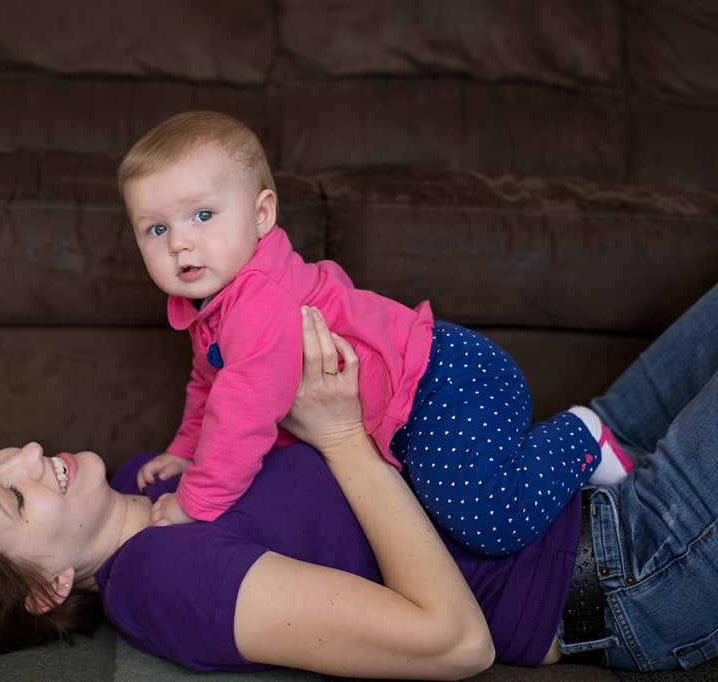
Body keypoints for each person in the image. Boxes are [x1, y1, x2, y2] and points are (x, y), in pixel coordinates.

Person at [0, 228, 718, 674]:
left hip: (579, 459)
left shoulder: (145, 486)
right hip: (636, 565)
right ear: (43, 592)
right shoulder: (165, 585)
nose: (27, 454)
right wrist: (337, 437)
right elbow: (451, 642)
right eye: (10, 499)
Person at [118, 110, 631, 554]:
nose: (180, 244)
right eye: (157, 229)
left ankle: (579, 436)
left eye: (202, 215)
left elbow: (241, 413)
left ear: (261, 215)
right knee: (427, 509)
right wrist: (186, 450)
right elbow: (208, 382)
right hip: (418, 398)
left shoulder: (258, 301)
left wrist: (196, 501)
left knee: (485, 522)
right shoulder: (212, 303)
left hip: (442, 382)